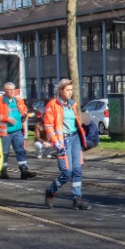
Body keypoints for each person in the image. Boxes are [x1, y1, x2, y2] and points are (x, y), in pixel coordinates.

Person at [43, 79, 90, 210]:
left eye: (71, 90)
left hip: (75, 139)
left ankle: (77, 199)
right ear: (60, 91)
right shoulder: (52, 105)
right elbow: (48, 125)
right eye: (68, 90)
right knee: (67, 172)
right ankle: (51, 191)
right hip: (63, 141)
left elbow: (76, 122)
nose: (70, 93)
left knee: (77, 171)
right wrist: (55, 141)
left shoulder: (72, 104)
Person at [0, 82, 36, 180]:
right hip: (5, 131)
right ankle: (3, 171)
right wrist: (7, 118)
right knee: (4, 152)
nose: (12, 91)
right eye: (9, 90)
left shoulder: (18, 100)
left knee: (21, 150)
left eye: (13, 89)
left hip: (18, 130)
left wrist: (25, 116)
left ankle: (24, 170)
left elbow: (24, 111)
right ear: (5, 91)